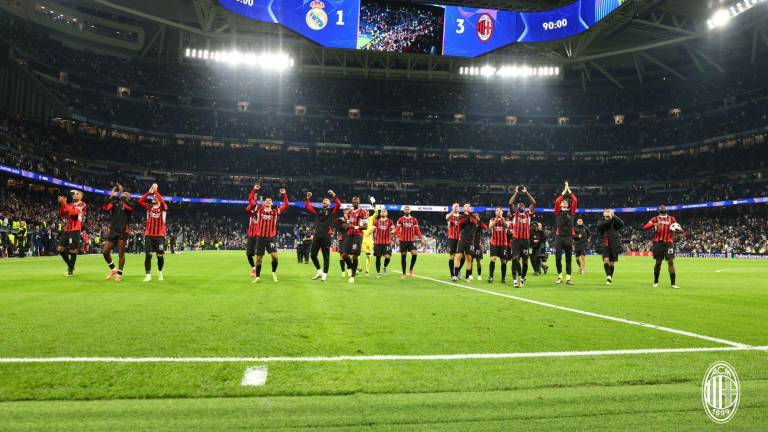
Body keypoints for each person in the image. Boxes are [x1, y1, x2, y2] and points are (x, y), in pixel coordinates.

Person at [245, 184, 289, 283]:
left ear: (272, 203)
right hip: (260, 237)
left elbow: (286, 205)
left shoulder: (275, 211)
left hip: (270, 238)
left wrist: (284, 194)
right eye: (266, 201)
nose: (268, 202)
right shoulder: (259, 210)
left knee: (275, 257)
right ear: (264, 203)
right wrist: (254, 190)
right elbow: (250, 200)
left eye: (270, 201)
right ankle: (258, 276)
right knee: (259, 259)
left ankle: (273, 272)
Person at [304, 190, 342, 281]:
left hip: (326, 236)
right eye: (324, 200)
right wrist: (308, 198)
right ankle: (319, 271)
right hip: (317, 235)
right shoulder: (317, 211)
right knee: (313, 255)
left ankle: (325, 274)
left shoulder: (332, 211)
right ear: (322, 203)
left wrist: (334, 195)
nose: (325, 201)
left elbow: (339, 204)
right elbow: (307, 206)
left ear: (329, 203)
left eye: (327, 200)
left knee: (326, 256)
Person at [643, 205, 683, 289]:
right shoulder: (655, 219)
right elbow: (645, 227)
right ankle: (656, 281)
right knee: (658, 262)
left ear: (666, 210)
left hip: (669, 243)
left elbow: (680, 230)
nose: (663, 208)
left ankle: (673, 284)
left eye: (664, 207)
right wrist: (654, 224)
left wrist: (677, 230)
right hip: (658, 243)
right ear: (659, 210)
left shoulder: (672, 219)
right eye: (661, 208)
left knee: (670, 262)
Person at [102, 185, 133, 282]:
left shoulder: (130, 204)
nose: (124, 194)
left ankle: (119, 273)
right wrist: (112, 195)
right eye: (124, 194)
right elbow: (105, 207)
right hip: (113, 231)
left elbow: (130, 208)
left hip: (123, 231)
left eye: (126, 194)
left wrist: (122, 194)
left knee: (121, 253)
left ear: (128, 198)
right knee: (105, 252)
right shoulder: (115, 202)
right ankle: (113, 269)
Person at [138, 183, 168, 282]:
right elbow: (140, 201)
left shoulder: (163, 207)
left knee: (160, 256)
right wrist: (148, 192)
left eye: (155, 197)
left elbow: (163, 201)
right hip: (149, 235)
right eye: (153, 197)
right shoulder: (149, 207)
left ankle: (160, 272)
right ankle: (148, 275)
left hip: (159, 236)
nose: (153, 198)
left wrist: (155, 191)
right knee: (148, 255)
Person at [508, 186, 536, 288]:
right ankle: (515, 280)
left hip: (525, 241)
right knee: (515, 259)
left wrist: (526, 192)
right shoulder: (514, 213)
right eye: (519, 205)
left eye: (523, 205)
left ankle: (522, 278)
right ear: (517, 207)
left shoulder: (528, 214)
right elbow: (510, 203)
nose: (521, 206)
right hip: (516, 240)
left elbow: (534, 203)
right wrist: (515, 192)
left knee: (525, 262)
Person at [56, 190, 86, 277]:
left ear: (81, 197)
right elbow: (62, 213)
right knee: (60, 249)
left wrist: (64, 203)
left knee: (73, 250)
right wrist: (62, 204)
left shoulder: (82, 204)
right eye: (74, 193)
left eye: (77, 194)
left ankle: (70, 270)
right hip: (67, 229)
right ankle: (71, 266)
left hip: (75, 229)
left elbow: (73, 213)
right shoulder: (71, 204)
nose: (75, 194)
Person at [553, 181, 578, 285]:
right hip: (559, 238)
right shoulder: (557, 212)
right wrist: (564, 191)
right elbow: (557, 201)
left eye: (565, 202)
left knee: (568, 259)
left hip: (568, 238)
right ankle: (559, 276)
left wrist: (569, 189)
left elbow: (575, 200)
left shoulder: (571, 212)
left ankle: (568, 278)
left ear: (567, 205)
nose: (563, 202)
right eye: (563, 202)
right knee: (558, 258)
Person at [341, 196, 369, 283]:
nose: (355, 202)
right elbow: (348, 224)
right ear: (352, 202)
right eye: (353, 201)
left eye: (356, 201)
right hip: (349, 234)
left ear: (359, 202)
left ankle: (352, 276)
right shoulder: (349, 212)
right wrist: (346, 225)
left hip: (358, 235)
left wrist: (355, 226)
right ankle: (354, 268)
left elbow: (365, 226)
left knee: (354, 255)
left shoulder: (363, 212)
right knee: (344, 255)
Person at [597, 209, 624, 285]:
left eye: (609, 211)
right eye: (606, 211)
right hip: (604, 243)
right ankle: (608, 276)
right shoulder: (600, 221)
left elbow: (622, 224)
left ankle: (609, 278)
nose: (607, 212)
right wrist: (611, 219)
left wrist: (614, 216)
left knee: (612, 263)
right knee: (606, 260)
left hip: (614, 244)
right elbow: (601, 226)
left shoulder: (614, 221)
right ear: (603, 213)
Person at [395, 206, 424, 279]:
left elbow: (417, 230)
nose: (407, 210)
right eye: (406, 209)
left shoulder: (414, 220)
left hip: (412, 240)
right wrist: (397, 238)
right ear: (404, 211)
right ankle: (404, 273)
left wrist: (421, 238)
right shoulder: (400, 219)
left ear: (410, 210)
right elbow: (397, 230)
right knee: (403, 256)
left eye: (408, 209)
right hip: (403, 240)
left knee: (414, 253)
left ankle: (411, 268)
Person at [453, 204, 479, 282]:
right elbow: (460, 222)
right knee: (458, 256)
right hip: (462, 239)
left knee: (469, 258)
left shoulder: (473, 217)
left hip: (470, 240)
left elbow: (475, 222)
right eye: (466, 206)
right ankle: (455, 275)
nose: (467, 207)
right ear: (463, 208)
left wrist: (471, 215)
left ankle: (467, 277)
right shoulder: (460, 217)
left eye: (469, 206)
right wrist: (468, 215)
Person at [488, 207, 510, 284]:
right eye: (496, 210)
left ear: (502, 212)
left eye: (499, 210)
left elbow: (506, 226)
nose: (498, 211)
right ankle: (491, 277)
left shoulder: (506, 219)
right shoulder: (492, 219)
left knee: (503, 261)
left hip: (503, 244)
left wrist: (501, 218)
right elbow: (490, 226)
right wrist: (497, 218)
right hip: (494, 243)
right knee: (493, 259)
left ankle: (503, 278)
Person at [371, 208, 395, 278]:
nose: (383, 212)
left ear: (387, 213)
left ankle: (384, 267)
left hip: (387, 242)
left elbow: (393, 228)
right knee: (378, 257)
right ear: (380, 213)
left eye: (384, 211)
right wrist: (370, 232)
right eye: (382, 211)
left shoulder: (390, 221)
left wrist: (393, 231)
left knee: (387, 257)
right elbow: (373, 228)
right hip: (378, 242)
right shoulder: (376, 221)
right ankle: (378, 273)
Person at [361, 197, 379, 276]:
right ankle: (358, 267)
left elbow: (377, 213)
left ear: (368, 213)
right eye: (365, 211)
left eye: (367, 211)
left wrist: (373, 204)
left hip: (369, 240)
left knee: (368, 256)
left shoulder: (371, 218)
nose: (366, 212)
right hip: (360, 239)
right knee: (355, 254)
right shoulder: (360, 220)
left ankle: (367, 271)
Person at [446, 203, 462, 279]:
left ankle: (458, 270)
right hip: (451, 238)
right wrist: (453, 211)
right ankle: (453, 275)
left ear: (459, 208)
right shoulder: (449, 215)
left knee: (461, 257)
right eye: (455, 206)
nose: (456, 207)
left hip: (460, 239)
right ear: (452, 207)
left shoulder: (461, 217)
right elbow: (447, 218)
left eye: (457, 206)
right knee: (452, 256)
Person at [471, 211, 488, 281]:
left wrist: (479, 220)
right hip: (470, 244)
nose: (475, 216)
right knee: (470, 260)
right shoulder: (470, 223)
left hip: (477, 245)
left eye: (477, 215)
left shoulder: (479, 224)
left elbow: (485, 227)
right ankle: (470, 275)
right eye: (474, 215)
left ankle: (479, 275)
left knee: (478, 261)